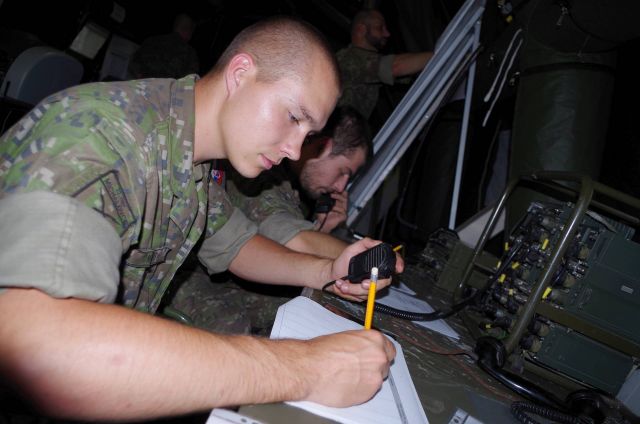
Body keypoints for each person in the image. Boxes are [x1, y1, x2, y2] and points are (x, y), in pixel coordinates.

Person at [0, 16, 401, 422]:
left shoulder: (190, 151)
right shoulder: (103, 137)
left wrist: (326, 272)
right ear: (240, 74)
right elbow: (46, 345)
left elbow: (236, 246)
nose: (296, 151)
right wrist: (305, 369)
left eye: (308, 133)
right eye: (294, 117)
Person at [228, 105, 372, 258]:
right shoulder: (262, 173)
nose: (341, 188)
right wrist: (367, 261)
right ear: (323, 147)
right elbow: (290, 241)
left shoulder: (294, 185)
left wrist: (323, 227)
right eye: (342, 172)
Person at [336, 8, 434, 120]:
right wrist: (441, 54)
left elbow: (407, 72)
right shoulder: (349, 58)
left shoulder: (364, 61)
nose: (387, 34)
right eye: (380, 28)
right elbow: (396, 67)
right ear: (361, 29)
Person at [128, 12, 200, 79]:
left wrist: (145, 82)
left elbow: (134, 65)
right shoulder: (189, 53)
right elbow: (190, 81)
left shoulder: (151, 41)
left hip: (143, 85)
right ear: (188, 30)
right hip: (167, 88)